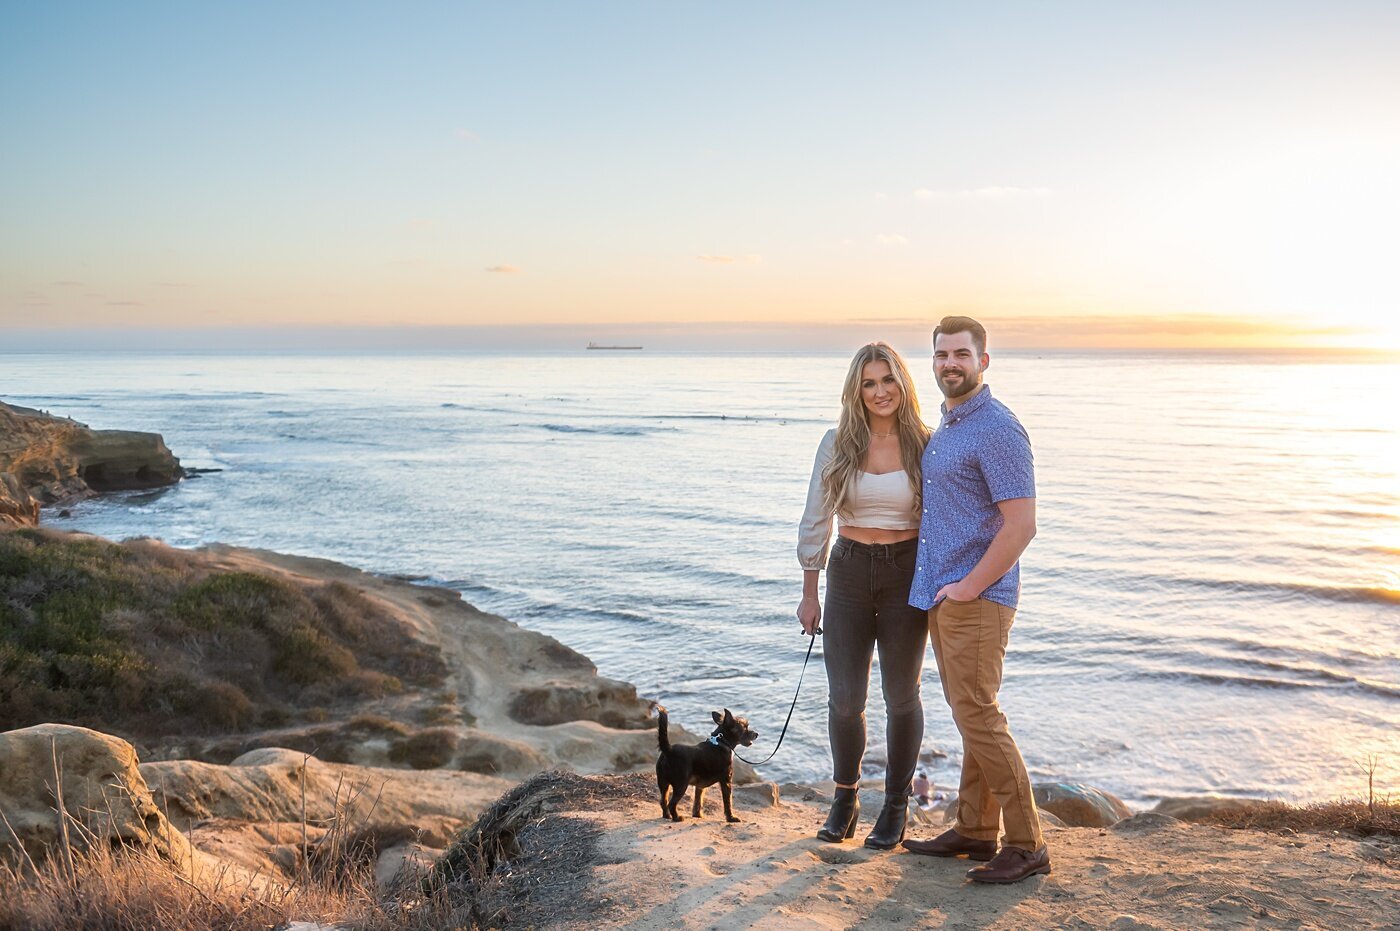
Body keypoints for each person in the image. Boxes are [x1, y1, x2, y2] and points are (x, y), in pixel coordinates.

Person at [901, 316, 1050, 884]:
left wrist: (968, 586)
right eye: (941, 355)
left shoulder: (997, 427)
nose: (949, 364)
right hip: (948, 595)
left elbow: (1022, 525)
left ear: (983, 361)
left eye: (961, 354)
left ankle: (1027, 842)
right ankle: (975, 829)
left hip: (977, 597)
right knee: (970, 717)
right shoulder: (951, 424)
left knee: (980, 717)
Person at [797, 341, 932, 849]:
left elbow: (944, 522)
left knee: (901, 696)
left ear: (903, 384)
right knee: (845, 698)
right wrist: (810, 591)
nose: (880, 392)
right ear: (856, 390)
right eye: (869, 383)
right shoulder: (836, 442)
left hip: (906, 573)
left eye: (888, 380)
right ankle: (845, 797)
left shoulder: (925, 442)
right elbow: (817, 516)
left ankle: (896, 805)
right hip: (849, 571)